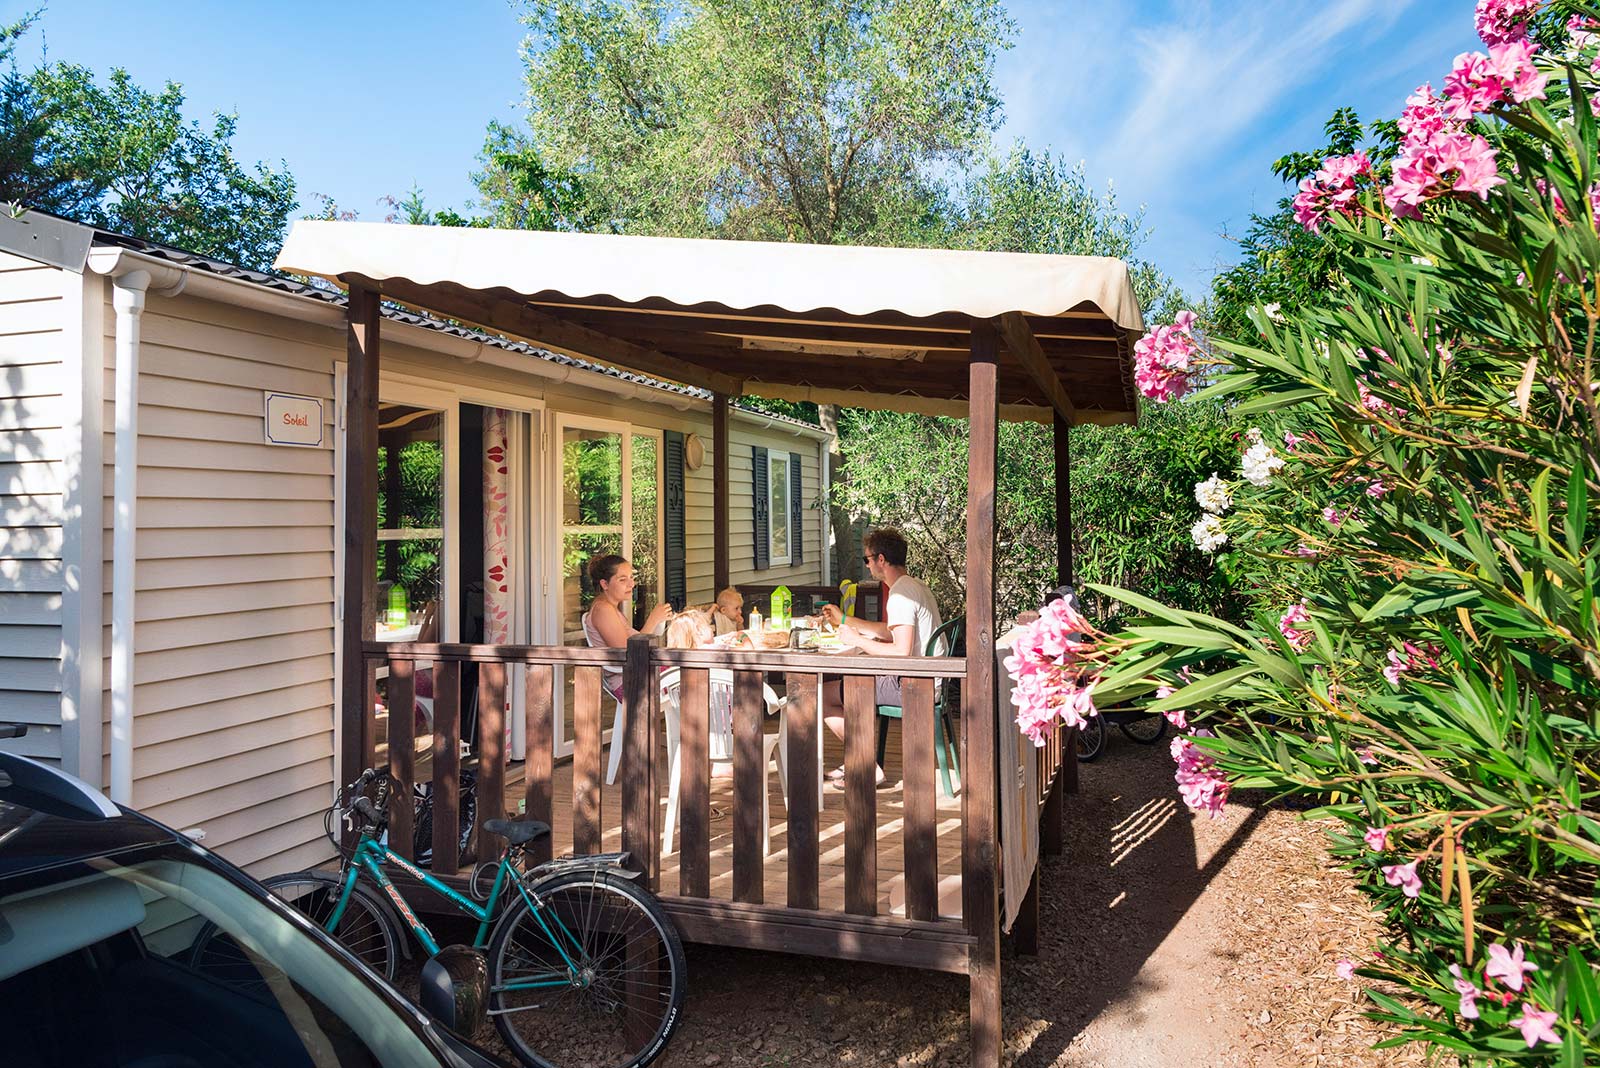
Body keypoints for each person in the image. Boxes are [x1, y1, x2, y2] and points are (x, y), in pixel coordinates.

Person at [819, 528, 944, 783]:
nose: (867, 566)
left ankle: (866, 764)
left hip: (915, 686)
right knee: (854, 681)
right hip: (927, 679)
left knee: (822, 695)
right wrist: (845, 620)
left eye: (868, 559)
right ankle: (857, 761)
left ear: (881, 560)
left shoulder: (900, 595)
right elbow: (890, 633)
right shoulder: (914, 586)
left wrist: (856, 640)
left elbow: (901, 651)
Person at [582, 554, 674, 702]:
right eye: (622, 580)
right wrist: (653, 619)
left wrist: (659, 621)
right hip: (630, 683)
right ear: (605, 584)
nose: (631, 584)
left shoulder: (611, 608)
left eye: (631, 577)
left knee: (698, 675)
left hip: (639, 675)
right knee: (698, 678)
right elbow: (629, 653)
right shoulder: (602, 610)